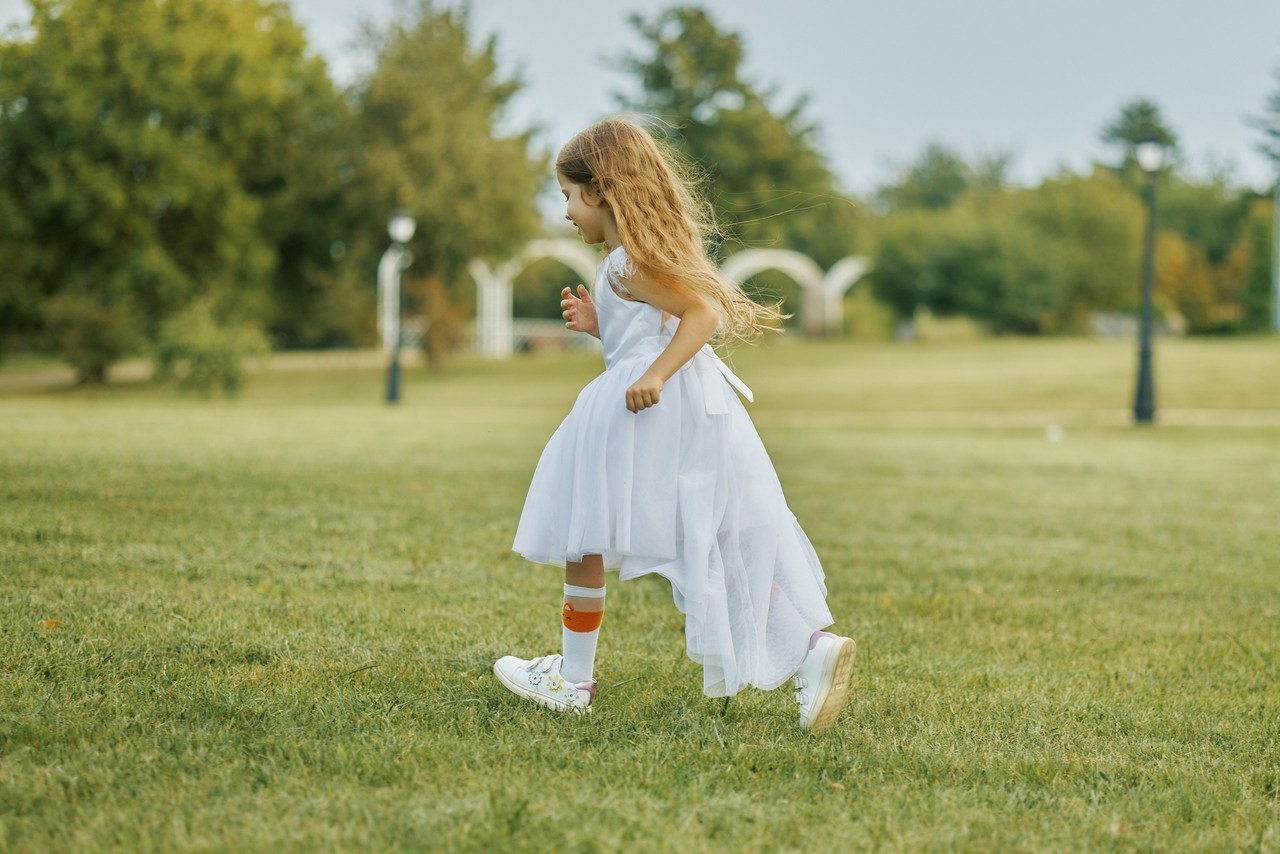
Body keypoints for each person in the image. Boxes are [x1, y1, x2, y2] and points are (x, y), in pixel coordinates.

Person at [494, 117, 856, 733]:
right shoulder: (627, 264)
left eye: (568, 197)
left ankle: (573, 679)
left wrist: (655, 375)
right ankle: (808, 650)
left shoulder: (625, 265)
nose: (566, 213)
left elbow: (702, 314)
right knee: (709, 538)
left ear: (602, 191)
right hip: (691, 410)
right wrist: (600, 323)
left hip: (650, 408)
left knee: (586, 531)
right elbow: (655, 326)